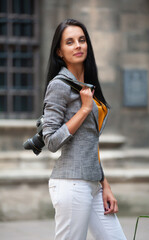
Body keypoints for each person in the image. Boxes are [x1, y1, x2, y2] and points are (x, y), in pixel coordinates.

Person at [42, 19, 127, 240]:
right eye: (69, 42)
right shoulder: (59, 85)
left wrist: (104, 184)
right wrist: (84, 109)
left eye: (81, 40)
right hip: (71, 183)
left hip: (93, 183)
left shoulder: (87, 86)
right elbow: (50, 140)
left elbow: (91, 142)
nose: (78, 45)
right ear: (60, 52)